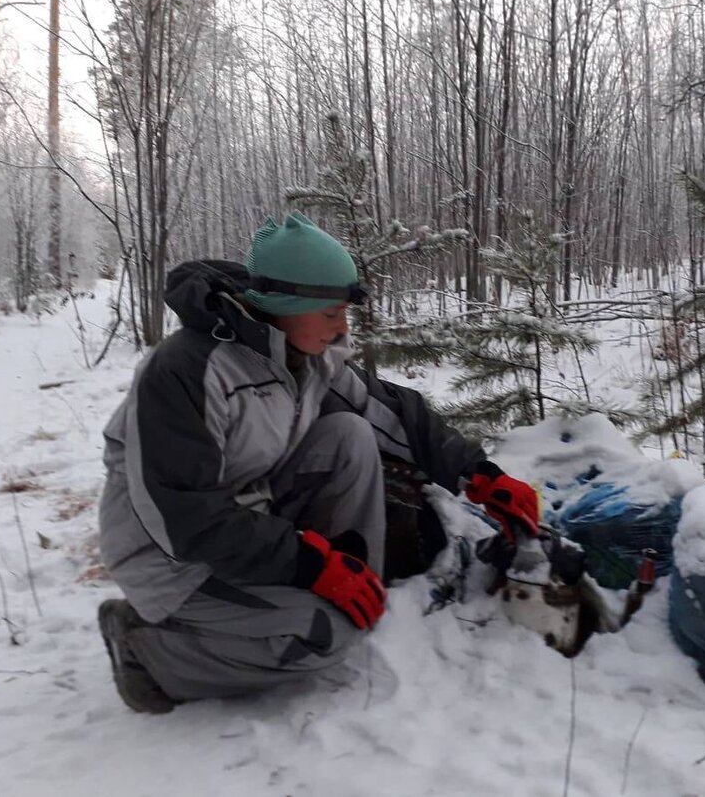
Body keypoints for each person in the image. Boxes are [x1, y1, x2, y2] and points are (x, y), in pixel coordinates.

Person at [96, 212, 540, 713]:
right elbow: (184, 518)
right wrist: (310, 562)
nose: (342, 326)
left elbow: (390, 412)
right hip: (171, 555)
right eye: (330, 312)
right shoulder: (185, 370)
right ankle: (148, 654)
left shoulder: (300, 353)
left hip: (248, 522)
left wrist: (478, 473)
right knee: (326, 635)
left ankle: (354, 590)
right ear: (283, 305)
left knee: (349, 434)